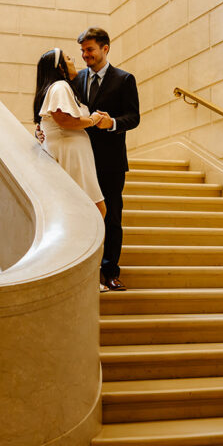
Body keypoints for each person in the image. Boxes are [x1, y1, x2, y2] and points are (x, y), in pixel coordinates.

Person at [75, 27, 139, 291]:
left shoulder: (124, 79)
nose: (84, 55)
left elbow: (133, 117)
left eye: (89, 49)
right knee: (80, 217)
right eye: (82, 50)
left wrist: (111, 122)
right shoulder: (75, 79)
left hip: (111, 163)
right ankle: (81, 271)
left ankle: (110, 272)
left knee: (112, 218)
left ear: (105, 48)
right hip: (80, 160)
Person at [34, 48, 108, 230]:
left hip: (71, 152)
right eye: (68, 59)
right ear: (60, 67)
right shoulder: (60, 86)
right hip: (70, 153)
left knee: (89, 211)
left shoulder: (59, 88)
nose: (74, 61)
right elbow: (63, 119)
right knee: (94, 210)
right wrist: (93, 119)